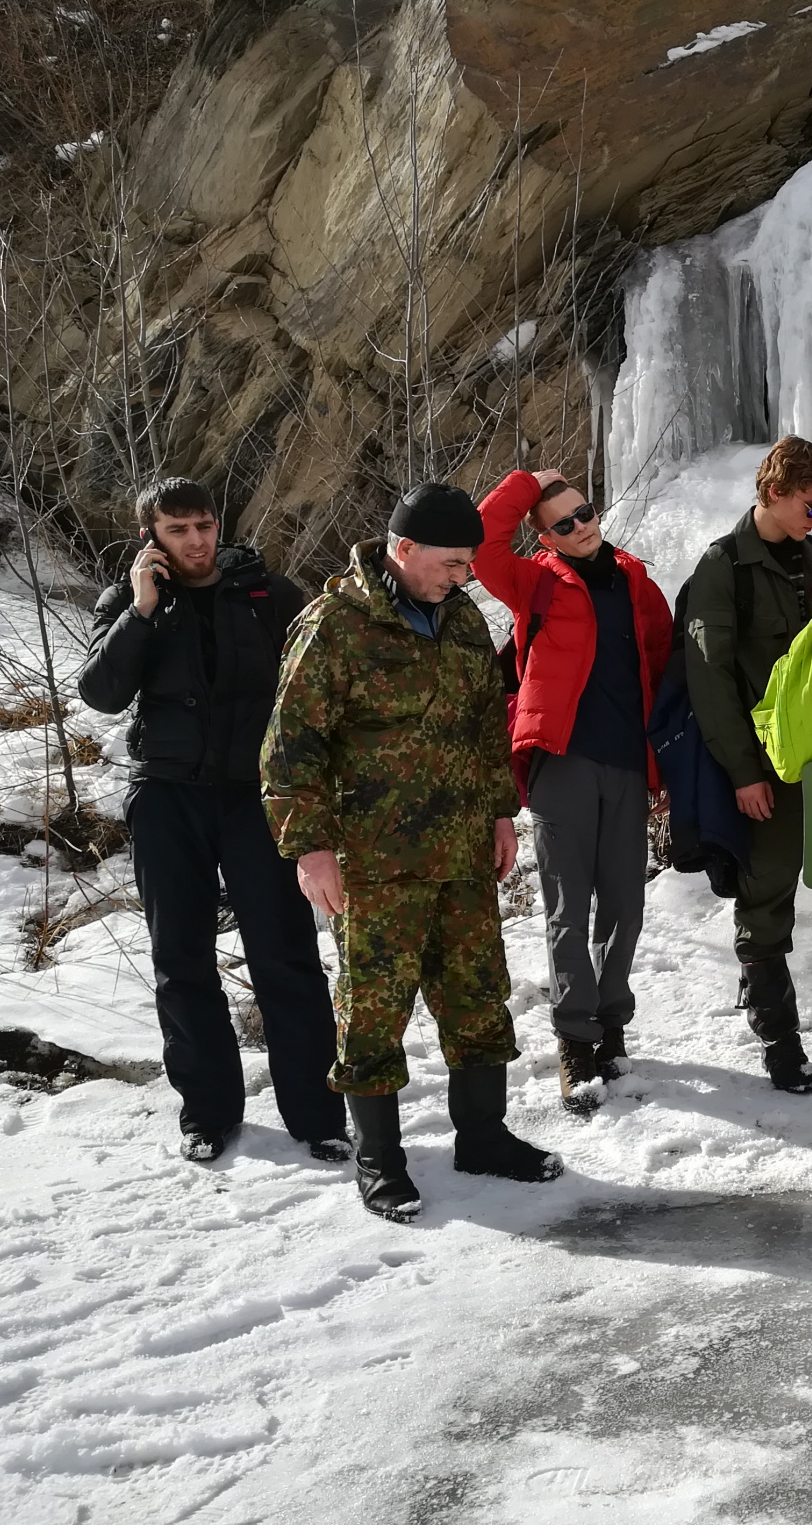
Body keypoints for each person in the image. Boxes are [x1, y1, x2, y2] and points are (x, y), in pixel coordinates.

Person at [263, 482, 560, 1222]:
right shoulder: (333, 625)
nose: (464, 577)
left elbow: (486, 728)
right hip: (375, 859)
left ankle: (483, 1138)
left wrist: (499, 812)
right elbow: (288, 748)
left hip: (460, 852)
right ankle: (380, 1160)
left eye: (469, 565)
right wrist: (312, 850)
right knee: (372, 1010)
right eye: (453, 563)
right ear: (404, 551)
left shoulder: (460, 622)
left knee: (476, 994)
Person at [78, 478, 346, 1165]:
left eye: (204, 526)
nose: (197, 541)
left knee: (285, 958)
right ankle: (208, 1112)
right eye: (179, 530)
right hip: (168, 798)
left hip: (257, 799)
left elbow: (325, 688)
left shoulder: (270, 595)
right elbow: (102, 695)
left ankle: (317, 1117)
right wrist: (142, 610)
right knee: (181, 961)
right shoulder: (127, 603)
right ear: (151, 540)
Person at [476, 465, 672, 1113]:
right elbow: (481, 542)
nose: (582, 525)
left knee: (625, 906)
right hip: (560, 765)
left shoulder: (634, 580)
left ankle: (612, 1024)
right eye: (563, 522)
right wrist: (529, 482)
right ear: (545, 537)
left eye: (585, 511)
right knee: (567, 909)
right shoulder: (532, 582)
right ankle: (575, 1042)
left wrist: (664, 763)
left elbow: (662, 659)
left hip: (624, 764)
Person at [681, 436, 812, 1093]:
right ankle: (779, 1036)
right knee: (766, 894)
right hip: (771, 769)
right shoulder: (724, 568)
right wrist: (743, 773)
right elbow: (709, 679)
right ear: (774, 494)